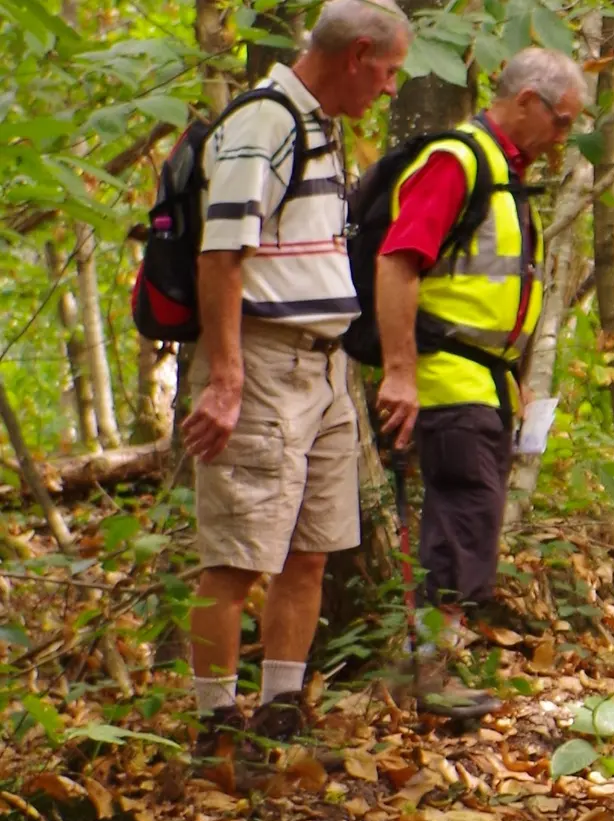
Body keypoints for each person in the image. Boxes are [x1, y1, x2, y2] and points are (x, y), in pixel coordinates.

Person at [181, 0, 411, 756]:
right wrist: (227, 379)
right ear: (358, 54)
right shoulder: (266, 121)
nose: (390, 88)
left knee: (310, 550)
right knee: (236, 555)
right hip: (265, 361)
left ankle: (281, 708)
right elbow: (222, 253)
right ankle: (215, 723)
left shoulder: (321, 126)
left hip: (324, 366)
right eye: (388, 71)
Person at [371, 47, 588, 721]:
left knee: (471, 524)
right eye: (560, 121)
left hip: (487, 382)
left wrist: (518, 384)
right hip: (446, 378)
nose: (563, 137)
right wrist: (400, 373)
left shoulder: (504, 174)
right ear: (525, 102)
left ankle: (433, 667)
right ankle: (424, 674)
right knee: (459, 522)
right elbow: (399, 262)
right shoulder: (457, 163)